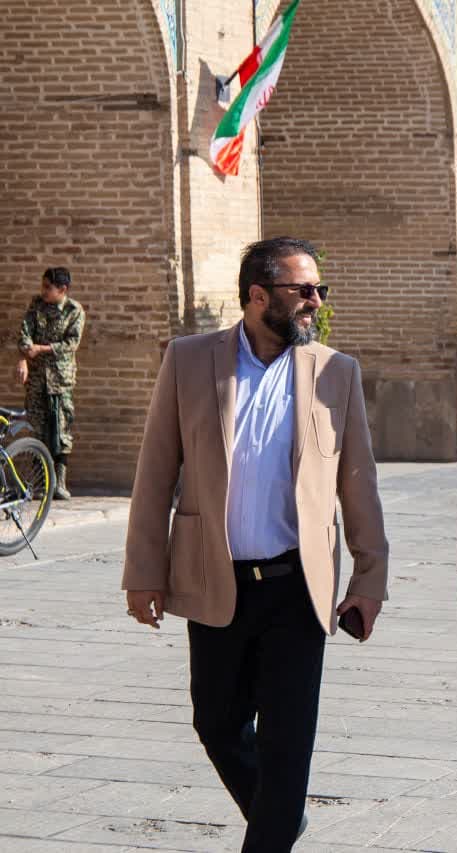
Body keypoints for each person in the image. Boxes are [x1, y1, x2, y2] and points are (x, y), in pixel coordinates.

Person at [120, 237, 389, 852]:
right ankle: (282, 816)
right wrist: (143, 572)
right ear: (258, 295)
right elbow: (155, 472)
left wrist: (369, 580)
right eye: (304, 290)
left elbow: (359, 484)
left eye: (319, 289)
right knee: (216, 723)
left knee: (287, 744)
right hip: (215, 580)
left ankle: (274, 823)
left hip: (298, 587)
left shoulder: (335, 372)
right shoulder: (189, 361)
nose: (316, 301)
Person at [16, 267, 84, 499]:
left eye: (48, 287)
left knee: (61, 431)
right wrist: (25, 356)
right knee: (37, 429)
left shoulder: (74, 311)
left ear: (62, 289)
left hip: (60, 380)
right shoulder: (36, 305)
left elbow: (71, 344)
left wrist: (41, 349)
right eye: (43, 286)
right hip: (37, 379)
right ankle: (39, 483)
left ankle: (59, 484)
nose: (43, 291)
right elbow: (25, 333)